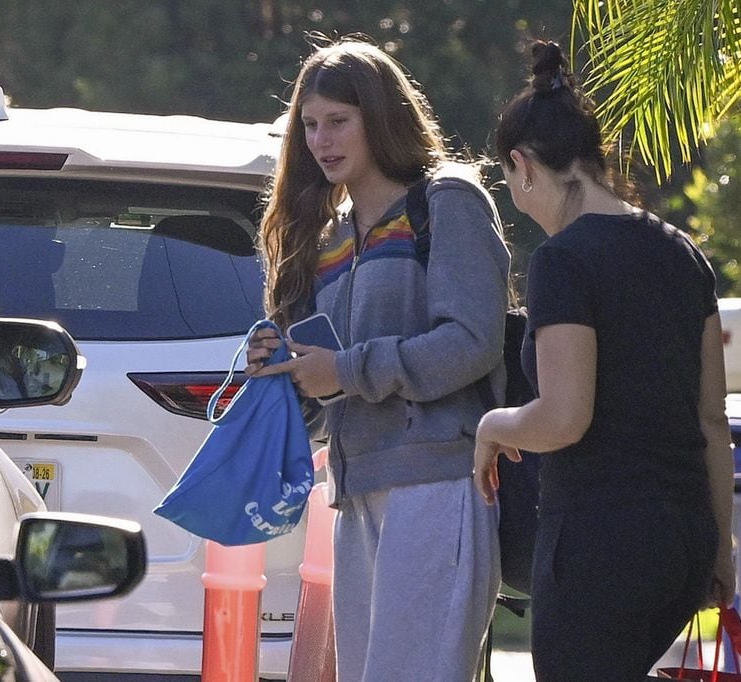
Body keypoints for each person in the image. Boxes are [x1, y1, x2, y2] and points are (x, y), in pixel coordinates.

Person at [246, 36, 510, 681]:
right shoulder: (325, 237)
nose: (321, 140)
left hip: (438, 480)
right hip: (355, 489)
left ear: (382, 116)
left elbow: (473, 342)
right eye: (310, 125)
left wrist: (345, 370)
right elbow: (325, 393)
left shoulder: (446, 200)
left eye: (339, 120)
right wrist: (285, 368)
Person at [473, 41, 736, 681]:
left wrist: (494, 426)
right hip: (684, 540)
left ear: (521, 165)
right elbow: (712, 421)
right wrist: (722, 548)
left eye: (509, 182)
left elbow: (565, 418)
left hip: (600, 541)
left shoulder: (563, 260)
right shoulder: (683, 252)